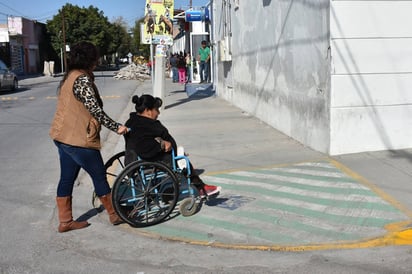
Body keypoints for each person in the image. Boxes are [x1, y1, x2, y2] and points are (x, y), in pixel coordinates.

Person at [49, 41, 128, 233]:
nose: (97, 60)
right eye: (95, 57)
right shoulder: (82, 79)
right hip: (78, 139)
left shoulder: (70, 76)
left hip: (63, 137)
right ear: (89, 59)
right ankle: (114, 214)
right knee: (99, 175)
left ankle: (65, 221)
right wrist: (116, 126)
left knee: (67, 178)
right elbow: (96, 110)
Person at [124, 94, 221, 197]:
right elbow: (144, 147)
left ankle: (169, 188)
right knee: (183, 160)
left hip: (137, 159)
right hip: (147, 161)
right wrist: (162, 144)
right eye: (156, 109)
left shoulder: (132, 121)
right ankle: (201, 188)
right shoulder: (145, 125)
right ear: (148, 110)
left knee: (180, 155)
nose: (158, 113)